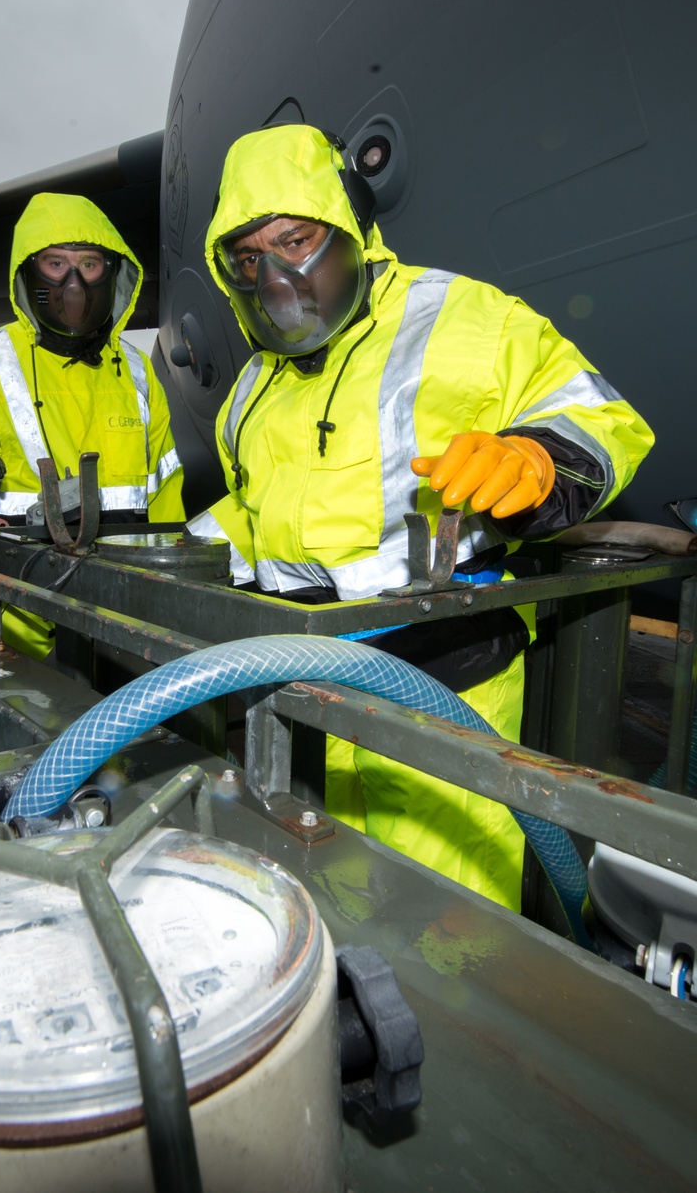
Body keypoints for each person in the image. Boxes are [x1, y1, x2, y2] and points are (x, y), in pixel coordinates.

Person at [188, 124, 654, 910]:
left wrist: (541, 459)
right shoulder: (252, 389)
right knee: (327, 896)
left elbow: (605, 419)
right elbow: (254, 510)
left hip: (447, 680)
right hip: (309, 689)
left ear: (348, 228)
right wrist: (177, 554)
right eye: (248, 257)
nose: (274, 274)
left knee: (452, 921)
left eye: (296, 239)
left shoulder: (466, 316)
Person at [0, 192, 184, 657]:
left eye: (89, 265)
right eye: (54, 263)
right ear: (29, 271)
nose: (73, 282)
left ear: (112, 272)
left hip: (124, 617)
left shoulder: (136, 371)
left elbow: (167, 491)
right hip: (14, 623)